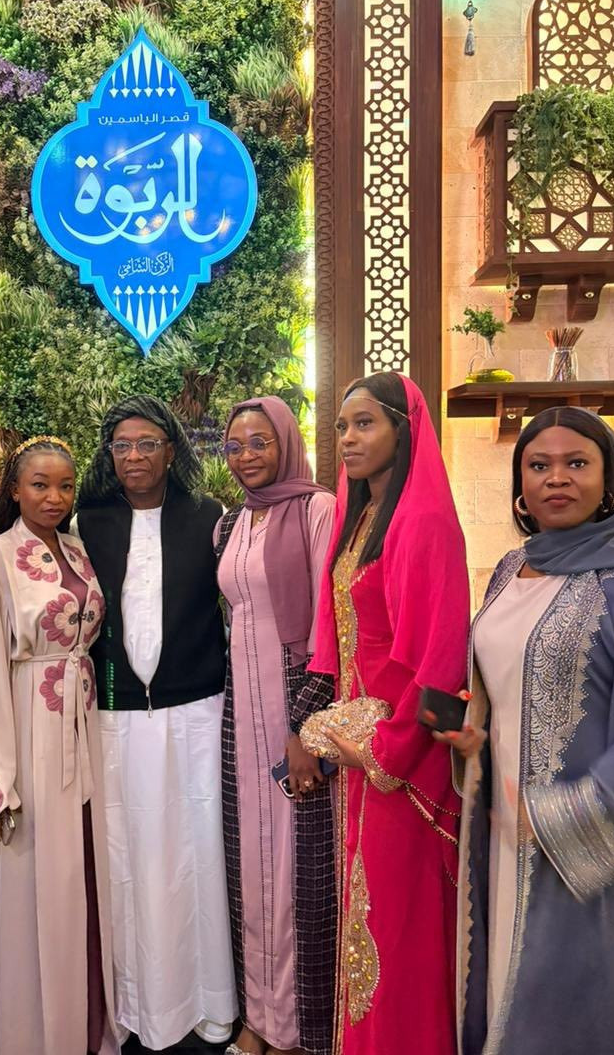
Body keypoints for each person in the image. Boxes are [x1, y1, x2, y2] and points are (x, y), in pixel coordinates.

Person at [306, 372, 469, 1055]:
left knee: (397, 933)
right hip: (365, 754)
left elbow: (440, 661)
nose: (348, 438)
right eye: (342, 426)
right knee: (363, 930)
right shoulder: (363, 519)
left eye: (365, 423)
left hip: (405, 762)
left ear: (404, 431)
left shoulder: (423, 521)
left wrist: (387, 750)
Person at [448, 407, 614, 1055]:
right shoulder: (509, 567)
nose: (557, 478)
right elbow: (500, 685)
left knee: (564, 1002)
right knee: (499, 981)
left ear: (608, 479)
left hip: (580, 841)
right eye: (539, 465)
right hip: (501, 819)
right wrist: (474, 736)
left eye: (577, 463)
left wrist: (560, 815)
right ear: (520, 483)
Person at [75, 394, 237, 1048]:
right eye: (122, 445)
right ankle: (133, 1007)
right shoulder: (87, 521)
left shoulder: (209, 517)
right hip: (114, 717)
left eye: (148, 444)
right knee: (126, 858)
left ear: (172, 450)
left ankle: (208, 1002)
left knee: (198, 856)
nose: (135, 456)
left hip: (195, 712)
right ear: (109, 455)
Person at [0, 436, 117, 1055]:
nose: (54, 497)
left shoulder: (77, 548)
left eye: (64, 485)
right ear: (14, 489)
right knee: (39, 871)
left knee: (83, 867)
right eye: (39, 485)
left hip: (82, 718)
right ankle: (35, 1032)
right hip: (28, 719)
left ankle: (85, 1021)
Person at [215, 396, 337, 1055]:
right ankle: (257, 1018)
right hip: (242, 714)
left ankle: (295, 1027)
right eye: (234, 446)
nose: (246, 457)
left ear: (286, 442)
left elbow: (329, 625)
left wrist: (303, 728)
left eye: (259, 442)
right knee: (250, 866)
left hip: (293, 710)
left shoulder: (318, 510)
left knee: (297, 869)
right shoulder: (231, 522)